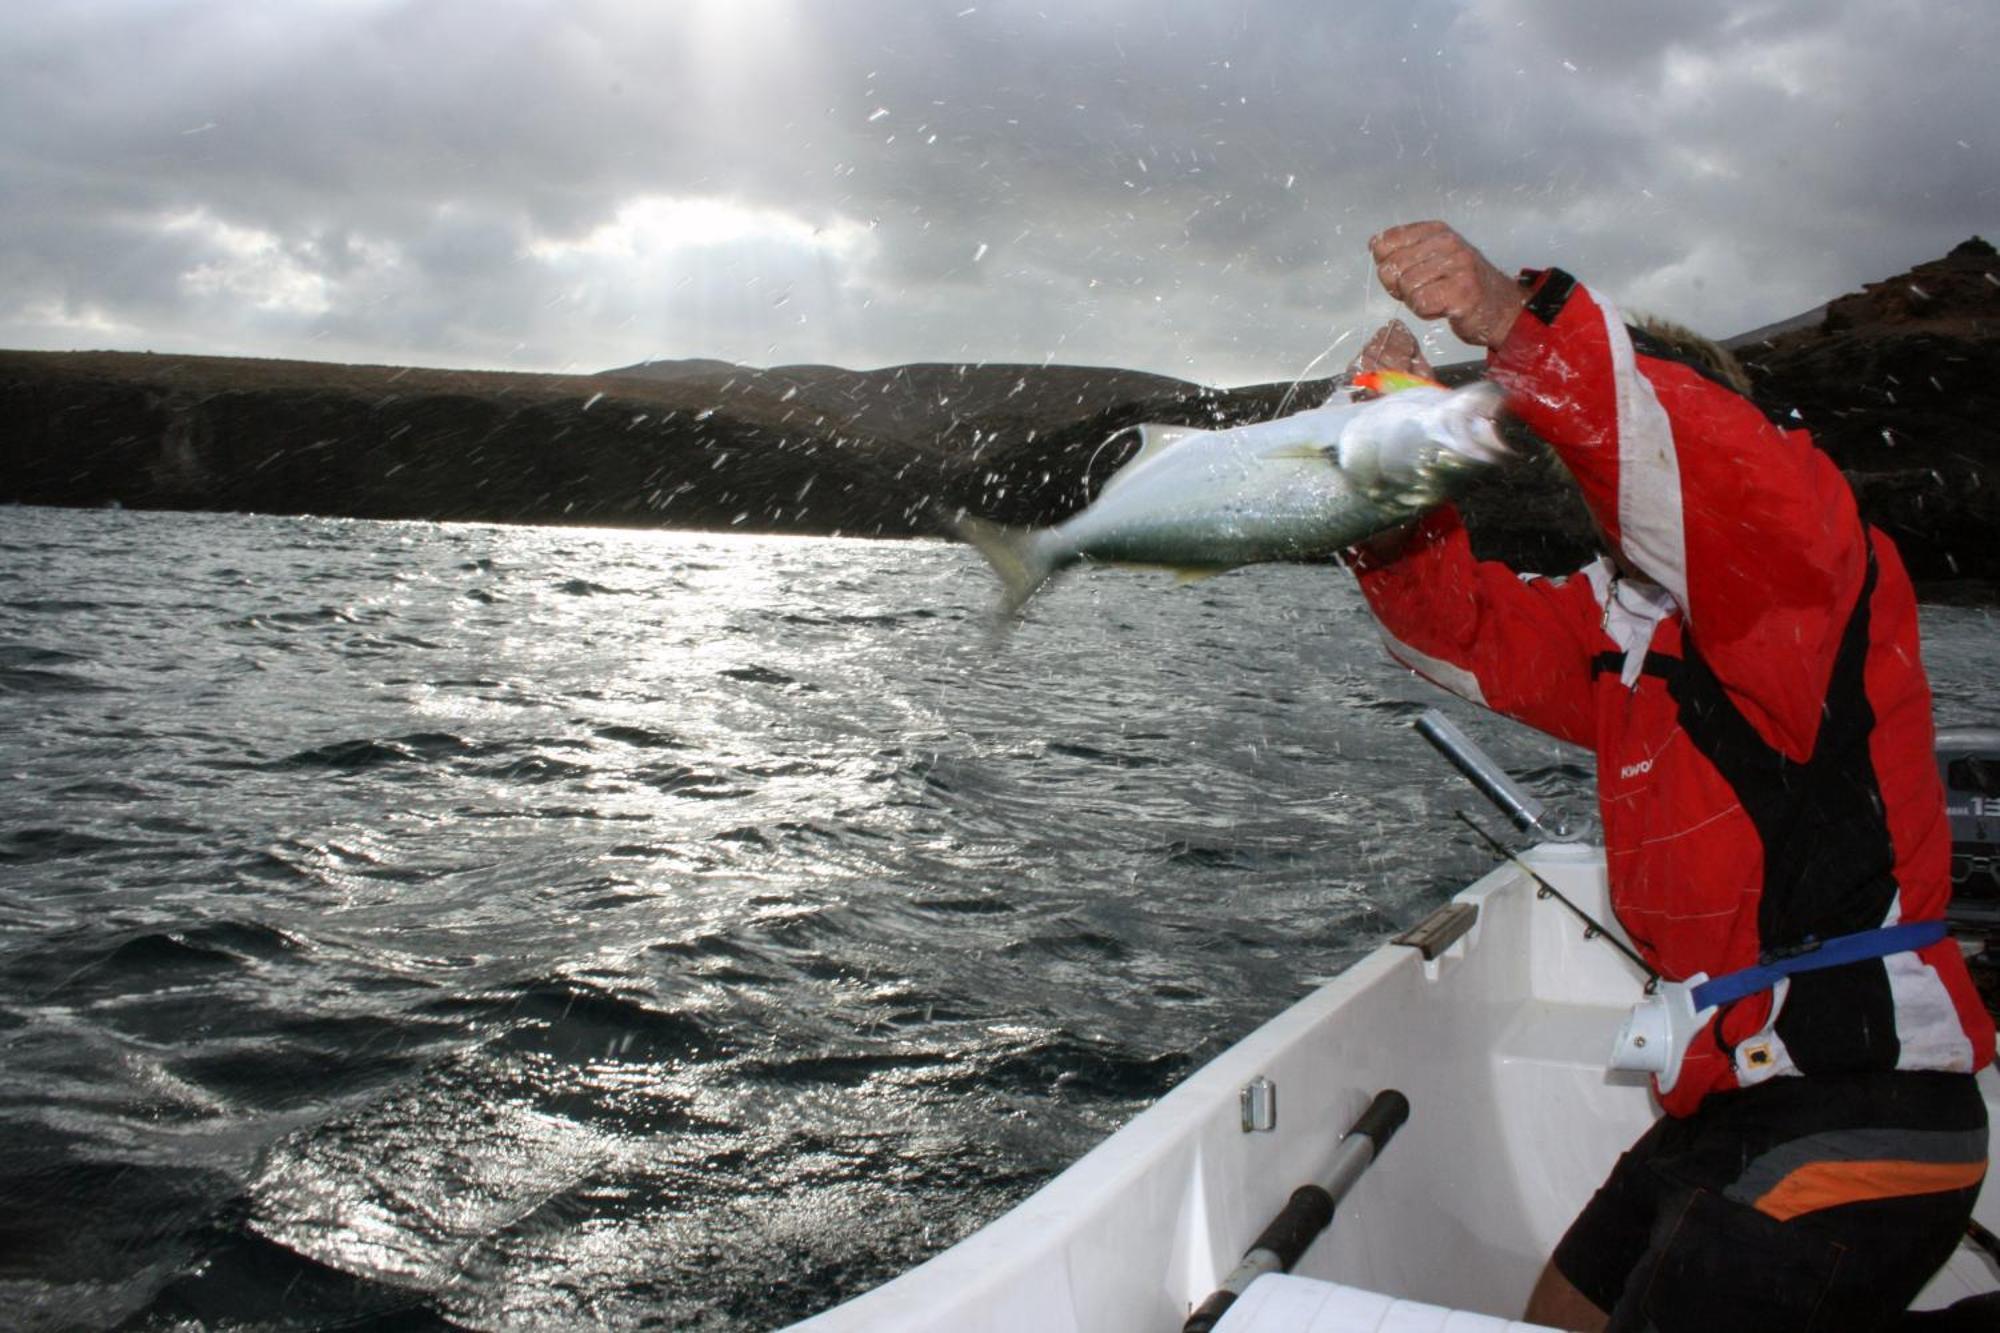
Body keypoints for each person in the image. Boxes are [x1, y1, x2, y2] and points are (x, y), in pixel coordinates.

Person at [1348, 221, 1996, 1332]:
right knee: (1553, 1311)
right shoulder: (1628, 629)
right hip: (1725, 1096)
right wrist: (1394, 470)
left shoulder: (1802, 571)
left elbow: (1702, 470)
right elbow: (1453, 633)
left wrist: (1508, 319)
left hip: (1856, 1103)